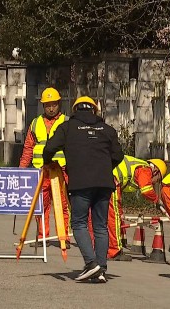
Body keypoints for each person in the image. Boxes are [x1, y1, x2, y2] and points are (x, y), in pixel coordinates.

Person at [44, 96, 123, 283]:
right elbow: (119, 155)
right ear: (94, 110)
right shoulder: (107, 130)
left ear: (75, 111)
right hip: (104, 183)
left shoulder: (67, 128)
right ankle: (101, 269)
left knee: (79, 223)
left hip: (81, 183)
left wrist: (48, 162)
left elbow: (49, 148)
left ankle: (91, 263)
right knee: (100, 226)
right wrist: (104, 168)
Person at [18, 87, 70, 247]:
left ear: (59, 104)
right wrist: (21, 169)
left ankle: (64, 237)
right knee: (41, 205)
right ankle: (42, 237)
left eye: (54, 104)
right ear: (43, 106)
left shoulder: (67, 122)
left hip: (61, 170)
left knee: (62, 205)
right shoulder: (35, 123)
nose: (51, 107)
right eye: (47, 105)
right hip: (40, 171)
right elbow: (28, 147)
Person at [103, 155, 167, 261]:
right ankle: (115, 251)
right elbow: (146, 190)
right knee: (113, 218)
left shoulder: (136, 166)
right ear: (156, 171)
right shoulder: (145, 169)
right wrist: (157, 200)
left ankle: (98, 248)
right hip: (111, 180)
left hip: (103, 177)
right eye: (158, 179)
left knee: (101, 216)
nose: (155, 182)